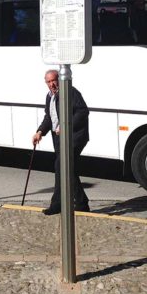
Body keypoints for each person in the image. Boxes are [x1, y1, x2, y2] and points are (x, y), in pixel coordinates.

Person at [31, 69, 90, 215]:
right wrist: (40, 132)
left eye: (54, 80)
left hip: (74, 136)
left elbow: (83, 112)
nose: (52, 84)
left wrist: (66, 126)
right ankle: (81, 203)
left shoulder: (70, 92)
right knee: (67, 168)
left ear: (59, 79)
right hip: (58, 138)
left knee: (62, 166)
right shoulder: (49, 96)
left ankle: (58, 204)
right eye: (49, 82)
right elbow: (49, 117)